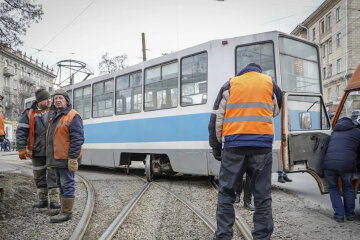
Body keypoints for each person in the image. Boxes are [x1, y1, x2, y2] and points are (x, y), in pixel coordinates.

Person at [209, 63, 282, 240]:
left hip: (234, 148)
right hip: (262, 148)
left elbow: (216, 120)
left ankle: (224, 236)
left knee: (226, 193)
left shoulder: (230, 84)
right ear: (259, 72)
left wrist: (217, 146)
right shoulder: (270, 84)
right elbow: (275, 110)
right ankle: (262, 237)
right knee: (262, 196)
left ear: (242, 72)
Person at [16, 88, 60, 210]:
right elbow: (21, 132)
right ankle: (43, 200)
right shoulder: (28, 113)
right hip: (36, 151)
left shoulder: (54, 111)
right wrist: (21, 148)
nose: (49, 101)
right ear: (39, 101)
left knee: (53, 175)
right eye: (46, 99)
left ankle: (55, 200)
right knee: (39, 175)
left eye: (49, 98)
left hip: (52, 151)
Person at [47, 89, 84, 223]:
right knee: (60, 184)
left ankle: (66, 212)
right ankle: (63, 208)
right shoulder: (55, 115)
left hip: (66, 158)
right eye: (55, 98)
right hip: (57, 158)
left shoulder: (73, 116)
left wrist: (73, 158)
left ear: (66, 101)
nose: (57, 100)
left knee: (67, 184)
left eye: (60, 98)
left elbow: (77, 139)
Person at [322, 117, 360, 222]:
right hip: (347, 165)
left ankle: (339, 215)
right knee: (348, 188)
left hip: (329, 165)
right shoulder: (357, 132)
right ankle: (350, 215)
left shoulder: (334, 133)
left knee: (333, 188)